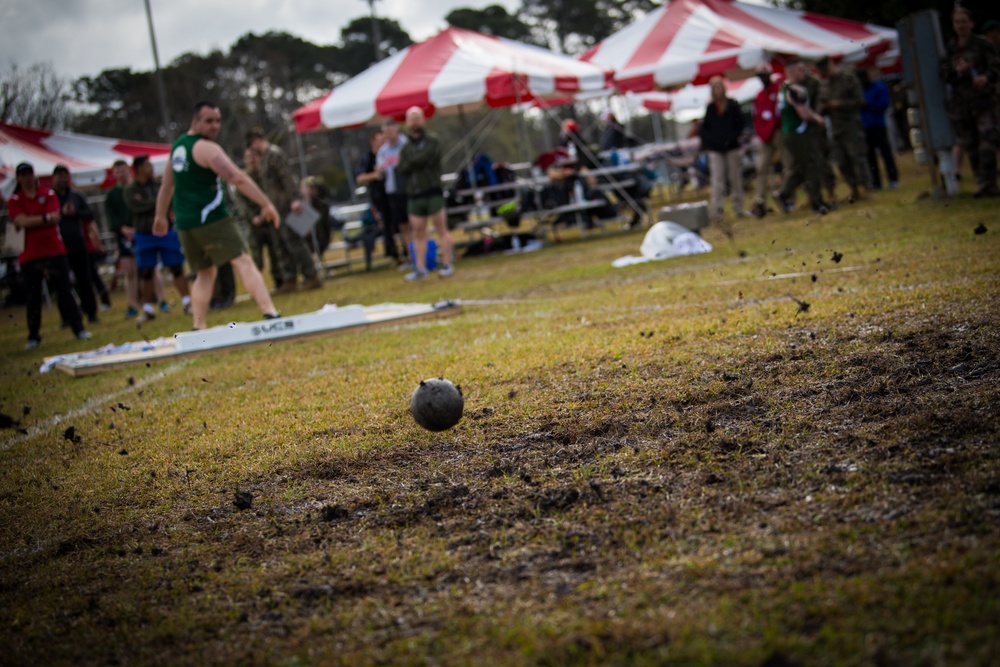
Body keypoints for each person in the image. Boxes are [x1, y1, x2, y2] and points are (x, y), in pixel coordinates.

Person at [154, 101, 282, 330]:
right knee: (243, 260)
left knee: (205, 272)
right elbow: (237, 177)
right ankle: (270, 312)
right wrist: (266, 203)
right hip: (211, 218)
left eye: (217, 120)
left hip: (185, 223)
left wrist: (161, 216)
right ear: (195, 122)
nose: (215, 126)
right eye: (209, 121)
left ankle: (198, 325)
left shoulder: (177, 149)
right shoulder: (205, 148)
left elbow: (166, 186)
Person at [5, 162, 92, 349]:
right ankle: (33, 336)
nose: (27, 178)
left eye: (30, 174)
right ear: (19, 178)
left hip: (54, 250)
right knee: (33, 297)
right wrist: (43, 219)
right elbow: (20, 222)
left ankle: (79, 329)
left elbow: (55, 216)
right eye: (23, 175)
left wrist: (33, 220)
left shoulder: (48, 194)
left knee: (65, 291)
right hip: (29, 254)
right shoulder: (14, 199)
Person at [246, 127, 322, 291]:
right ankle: (290, 279)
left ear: (256, 141)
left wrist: (295, 200)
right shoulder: (265, 158)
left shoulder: (274, 154)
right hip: (276, 209)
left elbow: (287, 177)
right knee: (281, 245)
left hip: (287, 206)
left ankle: (311, 275)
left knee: (293, 242)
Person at [125, 154, 193, 324]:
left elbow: (168, 200)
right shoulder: (131, 190)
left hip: (165, 233)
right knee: (146, 271)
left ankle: (187, 302)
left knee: (176, 266)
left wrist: (160, 200)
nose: (151, 168)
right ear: (138, 168)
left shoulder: (159, 185)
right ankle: (147, 309)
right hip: (145, 234)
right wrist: (159, 201)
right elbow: (136, 207)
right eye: (147, 165)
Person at [940, 7, 1000, 197]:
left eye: (964, 21)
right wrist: (958, 72)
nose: (961, 25)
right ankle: (983, 183)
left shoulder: (983, 45)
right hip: (961, 106)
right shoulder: (951, 49)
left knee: (988, 142)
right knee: (971, 146)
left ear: (971, 23)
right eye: (957, 22)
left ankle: (989, 182)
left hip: (984, 103)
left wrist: (986, 77)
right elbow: (944, 74)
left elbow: (996, 68)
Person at [397, 106, 455, 280]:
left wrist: (413, 161)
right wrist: (416, 161)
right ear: (407, 122)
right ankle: (420, 269)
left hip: (433, 192)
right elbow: (402, 168)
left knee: (441, 229)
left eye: (417, 117)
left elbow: (426, 157)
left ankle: (447, 264)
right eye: (411, 118)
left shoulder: (432, 141)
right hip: (415, 195)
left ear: (423, 120)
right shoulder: (405, 148)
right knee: (417, 232)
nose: (414, 121)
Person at [106, 159, 168, 318]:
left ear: (129, 170)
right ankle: (133, 305)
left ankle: (162, 300)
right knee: (130, 271)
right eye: (117, 170)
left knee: (151, 267)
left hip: (142, 231)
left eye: (123, 169)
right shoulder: (112, 195)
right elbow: (111, 218)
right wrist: (122, 229)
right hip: (124, 235)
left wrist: (136, 228)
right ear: (114, 173)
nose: (121, 173)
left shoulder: (138, 187)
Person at [774, 57, 832, 215]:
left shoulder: (784, 89)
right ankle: (817, 202)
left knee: (799, 166)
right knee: (811, 165)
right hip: (798, 131)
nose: (804, 72)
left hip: (789, 131)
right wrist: (819, 119)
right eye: (800, 69)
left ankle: (783, 194)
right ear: (791, 71)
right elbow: (804, 114)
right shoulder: (796, 90)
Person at [233, 147, 290, 291]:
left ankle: (280, 281)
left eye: (254, 156)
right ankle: (256, 287)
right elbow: (240, 203)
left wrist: (267, 212)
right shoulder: (243, 178)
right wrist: (253, 217)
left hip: (270, 220)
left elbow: (273, 193)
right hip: (254, 224)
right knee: (256, 258)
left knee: (276, 254)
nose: (252, 160)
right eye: (248, 157)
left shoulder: (266, 177)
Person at [817, 56, 871, 201]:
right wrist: (824, 108)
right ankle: (854, 189)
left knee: (857, 157)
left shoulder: (848, 79)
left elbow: (860, 101)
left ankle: (866, 188)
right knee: (842, 162)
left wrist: (838, 104)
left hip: (851, 124)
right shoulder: (825, 84)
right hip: (835, 128)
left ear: (831, 65)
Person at [51, 164, 100, 323]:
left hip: (78, 242)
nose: (63, 179)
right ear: (54, 178)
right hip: (58, 245)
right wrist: (62, 214)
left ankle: (91, 313)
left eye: (66, 175)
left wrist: (75, 212)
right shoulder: (51, 197)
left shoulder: (77, 196)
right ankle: (67, 317)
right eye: (60, 176)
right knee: (62, 283)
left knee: (84, 279)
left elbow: (90, 213)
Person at [698, 76, 750, 221]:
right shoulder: (710, 108)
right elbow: (705, 129)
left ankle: (738, 208)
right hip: (716, 149)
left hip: (732, 147)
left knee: (735, 178)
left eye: (719, 87)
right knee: (717, 179)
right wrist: (712, 142)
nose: (718, 90)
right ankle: (717, 210)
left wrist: (732, 138)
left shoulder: (732, 105)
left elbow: (740, 124)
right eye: (715, 88)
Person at [356, 128, 400, 264]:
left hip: (394, 195)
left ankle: (406, 252)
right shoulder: (368, 158)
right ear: (372, 141)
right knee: (386, 226)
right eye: (380, 140)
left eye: (384, 140)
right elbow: (359, 178)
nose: (383, 143)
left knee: (400, 224)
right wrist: (374, 175)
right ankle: (394, 254)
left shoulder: (389, 153)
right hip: (379, 199)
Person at [375, 118, 411, 267]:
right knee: (402, 226)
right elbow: (379, 169)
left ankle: (422, 255)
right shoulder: (383, 150)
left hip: (408, 190)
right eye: (385, 132)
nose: (388, 135)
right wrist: (379, 170)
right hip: (393, 192)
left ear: (397, 129)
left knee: (415, 224)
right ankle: (411, 256)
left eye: (390, 131)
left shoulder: (406, 145)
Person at [751, 65, 786, 218]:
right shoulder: (759, 95)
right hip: (765, 135)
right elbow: (758, 117)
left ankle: (786, 196)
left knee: (787, 164)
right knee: (762, 168)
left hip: (778, 131)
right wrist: (762, 133)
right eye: (760, 76)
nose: (762, 78)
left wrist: (772, 128)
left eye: (764, 75)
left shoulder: (777, 90)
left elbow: (778, 112)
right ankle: (759, 201)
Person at [857, 69, 900, 191]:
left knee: (886, 153)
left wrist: (868, 104)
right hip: (865, 127)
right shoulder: (860, 90)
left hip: (878, 125)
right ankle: (876, 182)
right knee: (870, 157)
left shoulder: (878, 88)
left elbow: (883, 105)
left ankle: (893, 179)